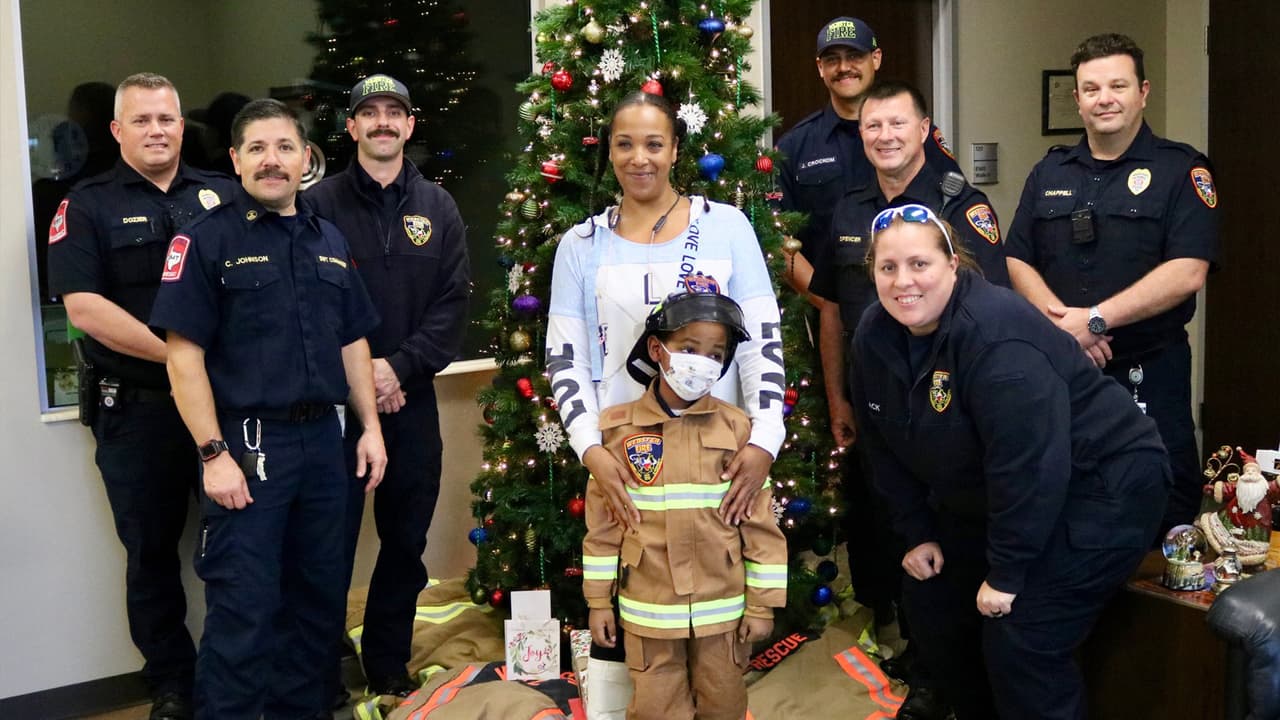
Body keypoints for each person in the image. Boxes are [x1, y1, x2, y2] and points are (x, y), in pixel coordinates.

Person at [851, 204, 1169, 719]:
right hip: (994, 493)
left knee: (1022, 637)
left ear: (953, 264)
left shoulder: (996, 334)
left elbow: (1030, 466)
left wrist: (1007, 572)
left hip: (1102, 484)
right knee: (935, 608)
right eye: (888, 267)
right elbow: (880, 443)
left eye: (919, 264)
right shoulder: (874, 332)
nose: (903, 282)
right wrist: (916, 532)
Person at [150, 98, 387, 720]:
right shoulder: (205, 240)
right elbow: (183, 357)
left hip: (324, 447)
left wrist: (370, 427)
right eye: (256, 148)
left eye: (284, 147)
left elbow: (353, 341)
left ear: (306, 158)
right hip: (248, 447)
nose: (272, 161)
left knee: (317, 606)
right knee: (244, 610)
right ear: (235, 160)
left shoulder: (328, 239)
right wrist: (213, 454)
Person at [811, 78, 1008, 720]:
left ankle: (950, 677)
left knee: (952, 534)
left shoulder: (959, 205)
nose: (886, 136)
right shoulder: (848, 208)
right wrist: (838, 399)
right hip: (877, 399)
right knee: (889, 525)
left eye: (898, 124)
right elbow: (832, 309)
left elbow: (989, 310)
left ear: (924, 130)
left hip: (947, 402)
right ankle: (917, 664)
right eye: (873, 126)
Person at [46, 72, 238, 720]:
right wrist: (181, 361)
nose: (156, 130)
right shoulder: (86, 205)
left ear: (182, 126)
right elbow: (85, 308)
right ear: (116, 130)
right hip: (140, 412)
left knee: (239, 546)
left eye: (166, 118)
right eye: (142, 120)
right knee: (152, 557)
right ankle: (172, 686)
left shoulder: (224, 194)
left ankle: (235, 675)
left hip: (224, 410)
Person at [1005, 33, 1218, 535]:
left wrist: (1095, 320)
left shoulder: (1182, 170)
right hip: (1064, 369)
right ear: (1078, 99)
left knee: (1162, 501)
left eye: (1118, 86)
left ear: (1143, 92)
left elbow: (1188, 270)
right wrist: (1066, 328)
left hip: (1150, 371)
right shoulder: (1050, 171)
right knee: (1065, 498)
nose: (1105, 99)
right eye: (1091, 89)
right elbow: (1016, 258)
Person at [303, 73, 470, 698]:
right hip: (336, 411)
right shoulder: (317, 206)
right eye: (368, 112)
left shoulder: (439, 206)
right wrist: (361, 376)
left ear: (409, 124)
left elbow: (452, 305)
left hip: (412, 401)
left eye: (393, 112)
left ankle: (387, 662)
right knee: (328, 544)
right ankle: (322, 670)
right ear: (351, 127)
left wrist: (395, 368)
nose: (381, 122)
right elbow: (308, 305)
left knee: (405, 541)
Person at [546, 91, 784, 529]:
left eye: (654, 144)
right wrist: (590, 450)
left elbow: (763, 345)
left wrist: (765, 441)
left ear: (674, 150)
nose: (639, 158)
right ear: (609, 150)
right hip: (626, 465)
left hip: (718, 459)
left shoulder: (727, 227)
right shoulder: (580, 246)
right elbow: (565, 359)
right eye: (624, 144)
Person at [583, 291, 788, 720]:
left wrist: (761, 604)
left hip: (722, 611)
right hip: (649, 611)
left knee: (725, 703)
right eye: (690, 349)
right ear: (657, 349)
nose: (702, 363)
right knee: (656, 708)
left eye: (715, 354)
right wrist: (599, 601)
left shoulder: (738, 430)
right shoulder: (618, 432)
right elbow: (602, 530)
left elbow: (760, 527)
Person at [774, 16, 961, 300]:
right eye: (833, 59)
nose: (844, 67)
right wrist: (825, 301)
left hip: (915, 299)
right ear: (820, 67)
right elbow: (777, 236)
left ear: (876, 58)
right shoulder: (795, 146)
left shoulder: (917, 137)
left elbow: (952, 211)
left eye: (854, 56)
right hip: (834, 306)